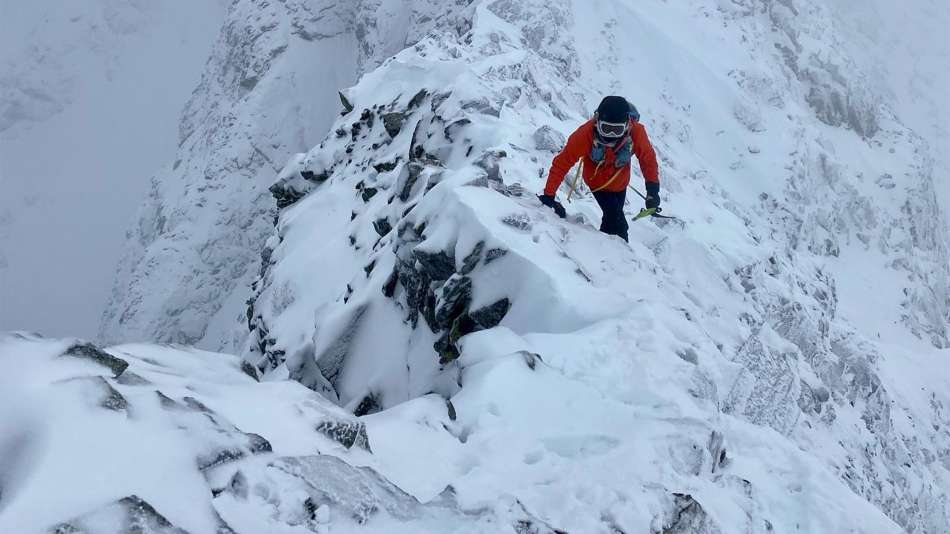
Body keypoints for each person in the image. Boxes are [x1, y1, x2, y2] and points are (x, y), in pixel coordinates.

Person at [538, 96, 660, 242]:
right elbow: (562, 163)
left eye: (617, 130)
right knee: (619, 224)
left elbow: (648, 160)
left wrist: (652, 191)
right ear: (597, 122)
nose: (611, 136)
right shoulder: (585, 134)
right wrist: (549, 195)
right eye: (606, 129)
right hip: (597, 183)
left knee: (611, 220)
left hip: (620, 184)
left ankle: (600, 248)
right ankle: (621, 254)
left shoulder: (637, 133)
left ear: (627, 125)